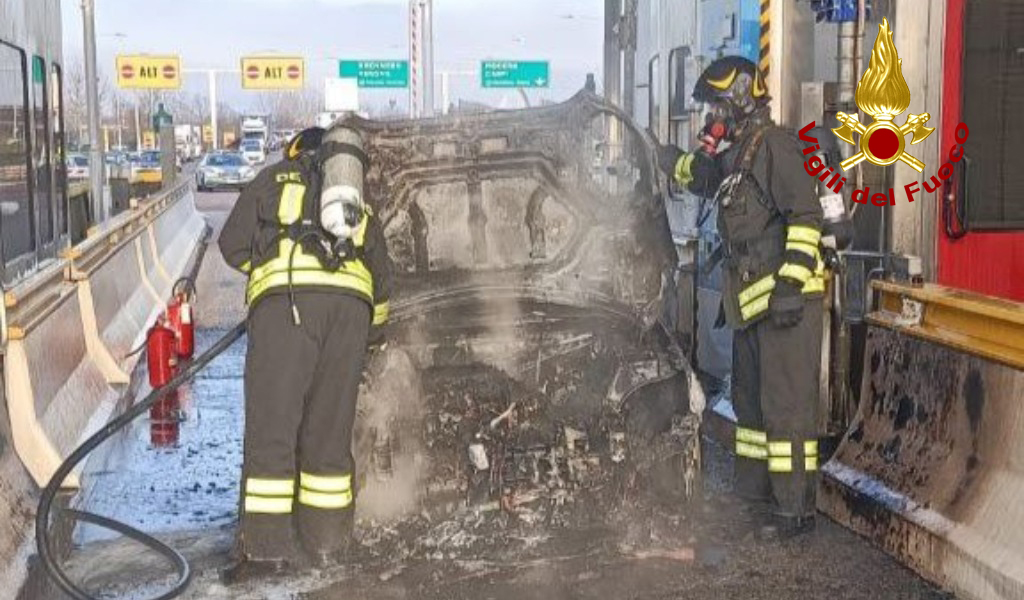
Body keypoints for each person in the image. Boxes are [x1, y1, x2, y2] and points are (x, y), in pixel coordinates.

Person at [656, 56, 825, 537]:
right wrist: (665, 158)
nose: (712, 118)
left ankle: (794, 513)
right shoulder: (740, 154)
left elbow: (806, 216)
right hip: (753, 305)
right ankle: (753, 499)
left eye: (715, 106)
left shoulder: (775, 146)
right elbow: (707, 176)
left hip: (786, 304)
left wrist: (792, 283)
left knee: (786, 410)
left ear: (741, 96)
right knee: (751, 410)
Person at [217, 126, 391, 582]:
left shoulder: (273, 180)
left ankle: (267, 552)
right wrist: (369, 338)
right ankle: (328, 547)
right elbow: (384, 283)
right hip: (351, 313)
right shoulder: (357, 206)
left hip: (288, 309)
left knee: (273, 432)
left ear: (296, 153)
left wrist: (266, 269)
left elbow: (230, 245)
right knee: (329, 438)